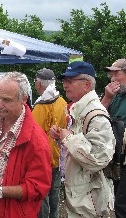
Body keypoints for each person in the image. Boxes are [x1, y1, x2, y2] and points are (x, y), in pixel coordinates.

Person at [0, 72, 52, 218]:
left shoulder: (37, 141)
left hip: (14, 210)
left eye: (6, 100)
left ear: (23, 100)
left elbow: (38, 187)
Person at [49, 61, 115, 217]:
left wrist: (69, 138)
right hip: (81, 196)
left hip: (89, 201)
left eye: (70, 80)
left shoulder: (96, 114)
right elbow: (82, 145)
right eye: (64, 80)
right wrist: (61, 138)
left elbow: (99, 158)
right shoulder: (80, 109)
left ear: (87, 85)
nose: (65, 84)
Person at [32, 68, 67, 218]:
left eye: (35, 81)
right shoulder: (62, 101)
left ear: (39, 84)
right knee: (55, 193)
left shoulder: (41, 106)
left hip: (43, 158)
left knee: (42, 195)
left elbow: (34, 134)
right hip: (58, 156)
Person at [101, 58, 126, 218]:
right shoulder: (115, 95)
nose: (112, 79)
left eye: (116, 74)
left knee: (121, 205)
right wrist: (108, 97)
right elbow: (98, 115)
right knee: (119, 198)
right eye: (111, 75)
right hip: (117, 158)